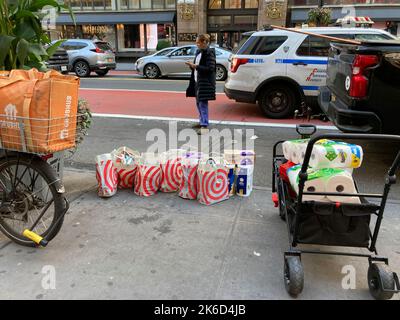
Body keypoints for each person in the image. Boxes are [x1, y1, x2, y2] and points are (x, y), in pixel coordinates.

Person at [185, 34, 216, 135]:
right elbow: (197, 66)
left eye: (199, 43)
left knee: (203, 103)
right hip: (197, 80)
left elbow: (210, 69)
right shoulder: (199, 52)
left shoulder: (209, 53)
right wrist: (192, 66)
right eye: (196, 42)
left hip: (205, 82)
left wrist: (196, 66)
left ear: (205, 42)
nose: (197, 44)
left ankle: (204, 125)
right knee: (198, 103)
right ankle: (202, 121)